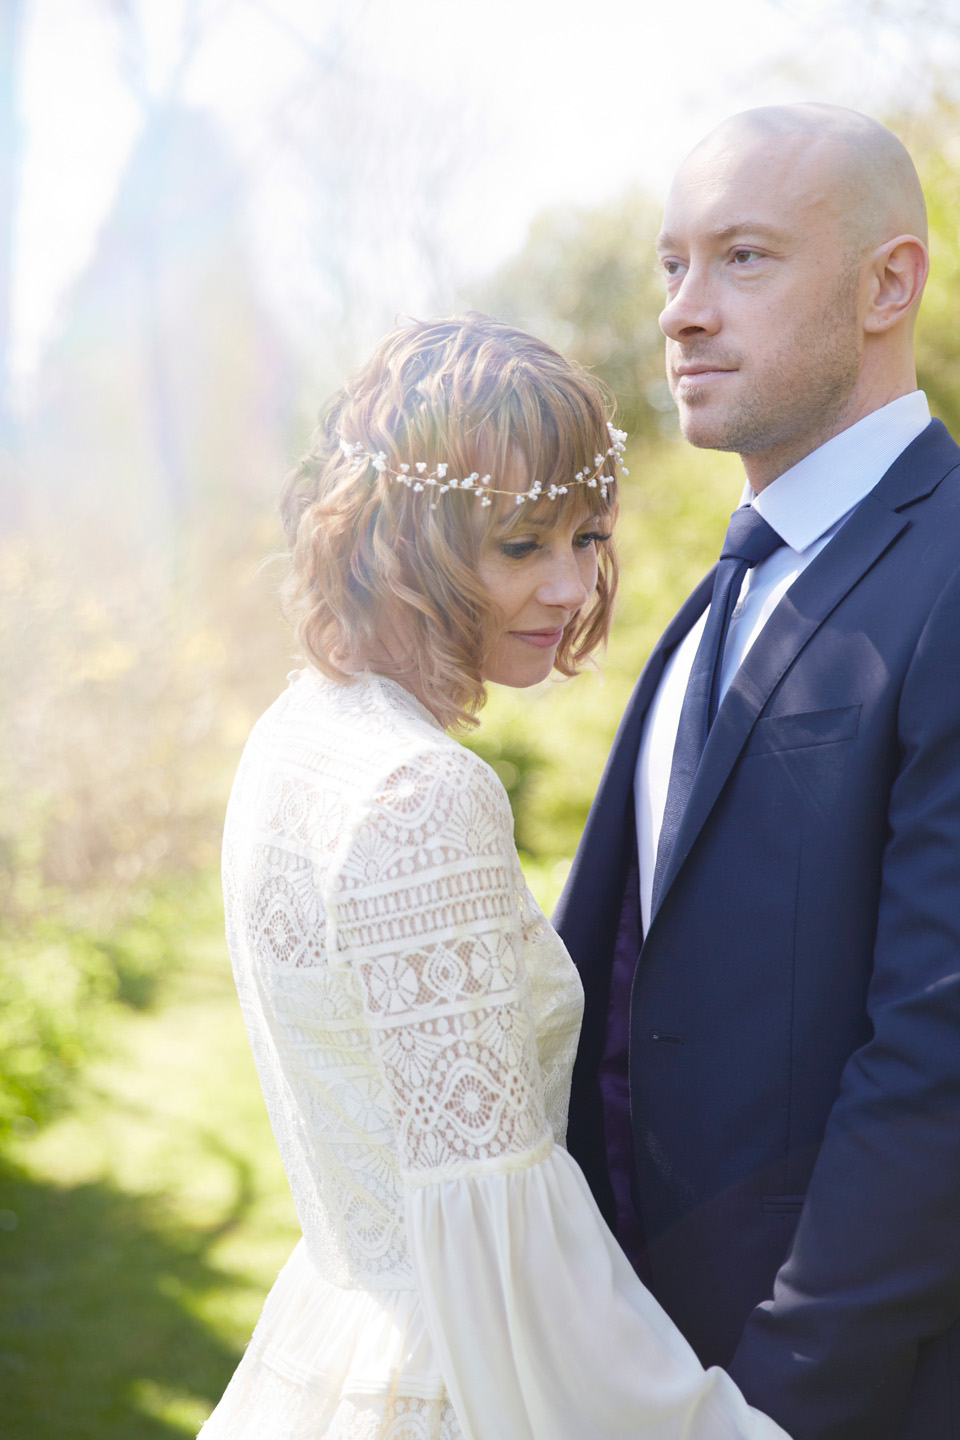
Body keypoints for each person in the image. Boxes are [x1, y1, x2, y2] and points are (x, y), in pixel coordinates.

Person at [197, 313, 790, 1439]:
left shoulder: (294, 733)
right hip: (452, 1380)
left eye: (588, 536)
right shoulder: (424, 794)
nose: (572, 589)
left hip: (337, 1331)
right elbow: (504, 1242)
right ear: (399, 538)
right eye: (522, 545)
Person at [555, 104, 960, 1440]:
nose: (680, 310)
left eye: (742, 258)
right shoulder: (726, 589)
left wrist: (781, 1401)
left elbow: (938, 1053)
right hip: (651, 1371)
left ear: (887, 283)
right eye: (672, 263)